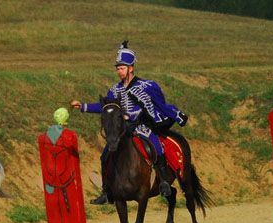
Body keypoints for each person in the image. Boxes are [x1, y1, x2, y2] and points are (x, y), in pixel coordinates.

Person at [70, 41, 188, 204]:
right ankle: (106, 191)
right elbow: (106, 107)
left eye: (122, 68)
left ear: (131, 68)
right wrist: (83, 106)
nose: (119, 71)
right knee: (105, 155)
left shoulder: (146, 86)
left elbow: (153, 105)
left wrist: (133, 116)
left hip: (142, 126)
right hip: (123, 130)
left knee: (156, 145)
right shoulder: (114, 90)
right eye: (118, 68)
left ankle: (164, 182)